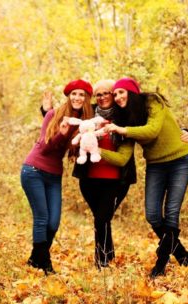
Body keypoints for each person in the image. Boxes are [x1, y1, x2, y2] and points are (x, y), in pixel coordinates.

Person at [104, 77, 188, 278]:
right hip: (156, 167)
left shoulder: (153, 101)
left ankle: (161, 263)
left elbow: (152, 131)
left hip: (180, 162)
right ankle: (182, 254)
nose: (117, 97)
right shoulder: (126, 119)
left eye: (121, 92)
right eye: (115, 94)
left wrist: (122, 130)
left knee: (171, 212)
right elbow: (122, 157)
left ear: (133, 91)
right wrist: (96, 150)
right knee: (152, 214)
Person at [21, 79, 94, 274]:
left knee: (54, 222)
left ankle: (35, 259)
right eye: (74, 94)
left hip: (54, 175)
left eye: (82, 95)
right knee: (42, 218)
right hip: (34, 170)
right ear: (69, 96)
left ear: (87, 99)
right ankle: (45, 265)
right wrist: (61, 134)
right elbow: (44, 147)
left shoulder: (85, 122)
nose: (77, 97)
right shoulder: (54, 114)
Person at [71, 79, 136, 269]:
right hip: (89, 180)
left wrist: (184, 130)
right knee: (102, 220)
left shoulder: (125, 116)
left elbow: (148, 121)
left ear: (114, 94)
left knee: (101, 219)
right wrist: (45, 110)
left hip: (116, 181)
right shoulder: (88, 113)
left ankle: (102, 262)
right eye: (98, 94)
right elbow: (66, 114)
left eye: (106, 93)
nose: (102, 97)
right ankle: (108, 257)